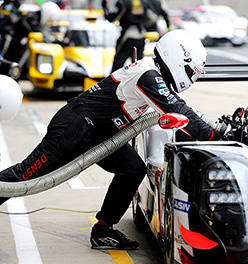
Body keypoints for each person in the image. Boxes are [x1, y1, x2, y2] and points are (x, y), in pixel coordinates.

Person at [0, 30, 223, 250]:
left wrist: (213, 129)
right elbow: (180, 110)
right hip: (74, 128)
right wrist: (217, 137)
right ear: (178, 58)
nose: (190, 78)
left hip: (98, 133)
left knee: (133, 169)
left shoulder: (153, 74)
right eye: (190, 71)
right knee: (26, 176)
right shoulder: (148, 75)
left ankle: (103, 230)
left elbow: (179, 112)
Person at [102, 0, 155, 72]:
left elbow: (113, 18)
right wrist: (142, 24)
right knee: (138, 64)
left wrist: (105, 9)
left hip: (128, 35)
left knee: (118, 63)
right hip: (141, 35)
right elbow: (152, 18)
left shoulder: (123, 2)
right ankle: (138, 81)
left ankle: (115, 83)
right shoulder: (144, 2)